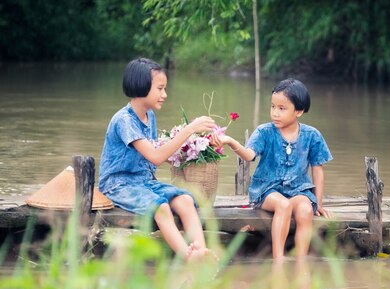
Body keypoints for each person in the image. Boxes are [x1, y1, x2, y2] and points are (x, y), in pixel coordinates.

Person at [99, 57, 217, 262]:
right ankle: (187, 257)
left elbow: (152, 156)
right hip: (118, 184)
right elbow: (155, 157)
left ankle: (200, 252)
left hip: (144, 182)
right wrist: (189, 130)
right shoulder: (124, 120)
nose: (165, 95)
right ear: (141, 86)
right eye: (160, 89)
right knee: (160, 206)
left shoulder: (149, 115)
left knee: (186, 200)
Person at [215, 78, 332, 260]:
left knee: (305, 209)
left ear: (299, 111)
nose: (275, 113)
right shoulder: (264, 132)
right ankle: (279, 260)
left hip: (298, 189)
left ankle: (301, 261)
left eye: (282, 108)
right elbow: (249, 155)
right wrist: (231, 141)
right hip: (266, 190)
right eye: (273, 107)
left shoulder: (312, 135)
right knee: (283, 205)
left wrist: (319, 203)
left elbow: (318, 169)